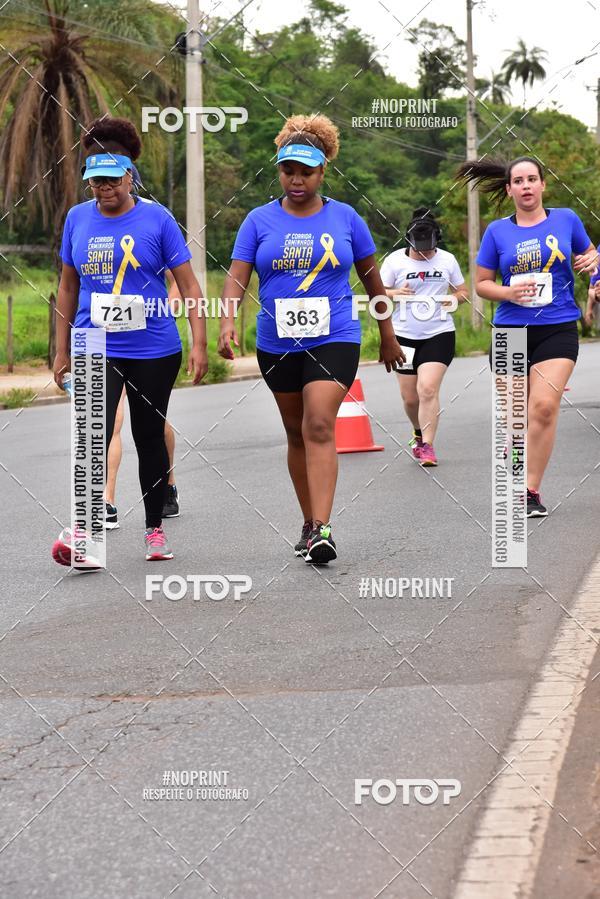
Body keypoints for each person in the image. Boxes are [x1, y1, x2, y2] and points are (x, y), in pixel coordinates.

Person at [217, 114, 404, 564]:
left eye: (306, 171)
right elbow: (237, 278)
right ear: (279, 170)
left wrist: (387, 333)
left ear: (323, 172)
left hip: (334, 335)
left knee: (319, 424)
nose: (296, 180)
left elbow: (372, 280)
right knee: (295, 432)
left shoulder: (347, 218)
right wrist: (227, 322)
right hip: (276, 342)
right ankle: (307, 520)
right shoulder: (258, 221)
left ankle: (323, 527)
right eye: (289, 171)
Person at [52, 116, 207, 565]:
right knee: (92, 434)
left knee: (147, 434)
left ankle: (154, 529)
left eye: (111, 179)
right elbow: (67, 285)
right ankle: (85, 534)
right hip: (92, 343)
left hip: (153, 347)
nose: (103, 188)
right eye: (95, 180)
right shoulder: (77, 219)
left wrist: (199, 342)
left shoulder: (157, 219)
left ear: (129, 175)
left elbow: (190, 286)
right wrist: (61, 348)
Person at [457, 156, 598, 517]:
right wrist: (509, 293)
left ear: (542, 185)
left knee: (545, 408)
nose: (526, 186)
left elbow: (591, 254)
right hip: (510, 330)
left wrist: (591, 261)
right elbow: (482, 285)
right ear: (509, 190)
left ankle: (529, 490)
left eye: (532, 179)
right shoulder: (497, 232)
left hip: (558, 326)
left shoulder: (566, 218)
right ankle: (513, 439)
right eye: (518, 181)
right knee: (517, 416)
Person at [380, 207, 467, 466]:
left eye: (428, 250)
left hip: (439, 333)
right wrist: (395, 293)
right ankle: (418, 433)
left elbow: (463, 291)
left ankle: (428, 445)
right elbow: (378, 293)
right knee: (410, 398)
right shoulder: (394, 261)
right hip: (403, 335)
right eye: (419, 250)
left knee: (427, 388)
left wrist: (451, 300)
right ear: (408, 241)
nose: (424, 254)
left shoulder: (447, 260)